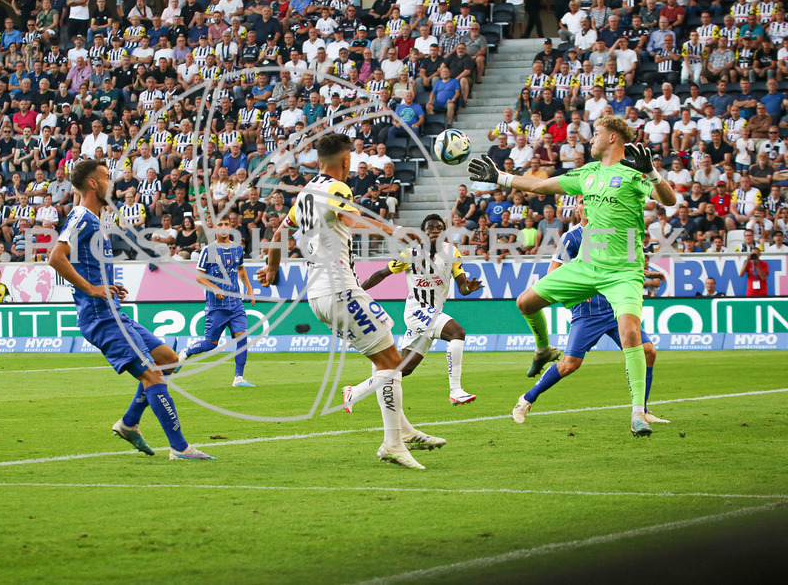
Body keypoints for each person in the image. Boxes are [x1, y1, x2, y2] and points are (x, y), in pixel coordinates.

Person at [468, 115, 677, 437]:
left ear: (611, 138)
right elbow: (538, 186)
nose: (589, 139)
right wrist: (499, 177)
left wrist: (651, 171)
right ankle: (542, 349)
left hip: (622, 273)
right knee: (525, 302)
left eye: (596, 133)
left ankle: (638, 414)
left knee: (631, 333)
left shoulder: (634, 173)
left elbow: (669, 199)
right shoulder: (588, 173)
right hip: (586, 267)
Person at [257, 133, 434, 469]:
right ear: (347, 160)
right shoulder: (337, 189)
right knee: (391, 362)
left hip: (319, 294)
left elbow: (279, 232)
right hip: (339, 290)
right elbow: (351, 219)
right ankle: (393, 443)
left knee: (385, 358)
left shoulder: (306, 193)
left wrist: (271, 268)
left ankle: (403, 432)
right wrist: (394, 230)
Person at [48, 160, 215, 461]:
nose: (112, 184)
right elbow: (56, 257)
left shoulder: (98, 220)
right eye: (107, 178)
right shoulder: (80, 217)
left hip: (113, 312)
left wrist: (108, 285)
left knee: (168, 361)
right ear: (93, 184)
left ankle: (128, 423)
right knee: (152, 375)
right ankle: (180, 448)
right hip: (99, 317)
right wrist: (92, 289)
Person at [512, 204, 668, 425]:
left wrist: (645, 272)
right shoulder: (571, 237)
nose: (589, 208)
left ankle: (642, 410)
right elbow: (552, 274)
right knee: (569, 364)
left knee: (648, 351)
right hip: (587, 313)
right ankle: (526, 399)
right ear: (578, 211)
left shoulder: (609, 233)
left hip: (615, 308)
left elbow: (618, 265)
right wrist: (579, 288)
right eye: (584, 205)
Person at [346, 213, 483, 412]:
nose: (435, 231)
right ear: (423, 233)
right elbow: (382, 274)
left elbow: (462, 287)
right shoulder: (411, 254)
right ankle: (455, 390)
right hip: (416, 311)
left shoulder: (452, 253)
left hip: (432, 312)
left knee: (402, 369)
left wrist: (469, 287)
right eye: (430, 228)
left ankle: (354, 392)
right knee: (457, 333)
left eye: (438, 228)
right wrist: (358, 291)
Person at [177, 214, 256, 387]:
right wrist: (215, 288)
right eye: (220, 224)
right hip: (217, 306)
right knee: (210, 344)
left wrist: (249, 288)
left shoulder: (237, 249)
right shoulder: (208, 250)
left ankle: (238, 378)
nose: (223, 227)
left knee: (242, 338)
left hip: (235, 304)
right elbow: (199, 277)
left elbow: (241, 269)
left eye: (226, 224)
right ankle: (187, 351)